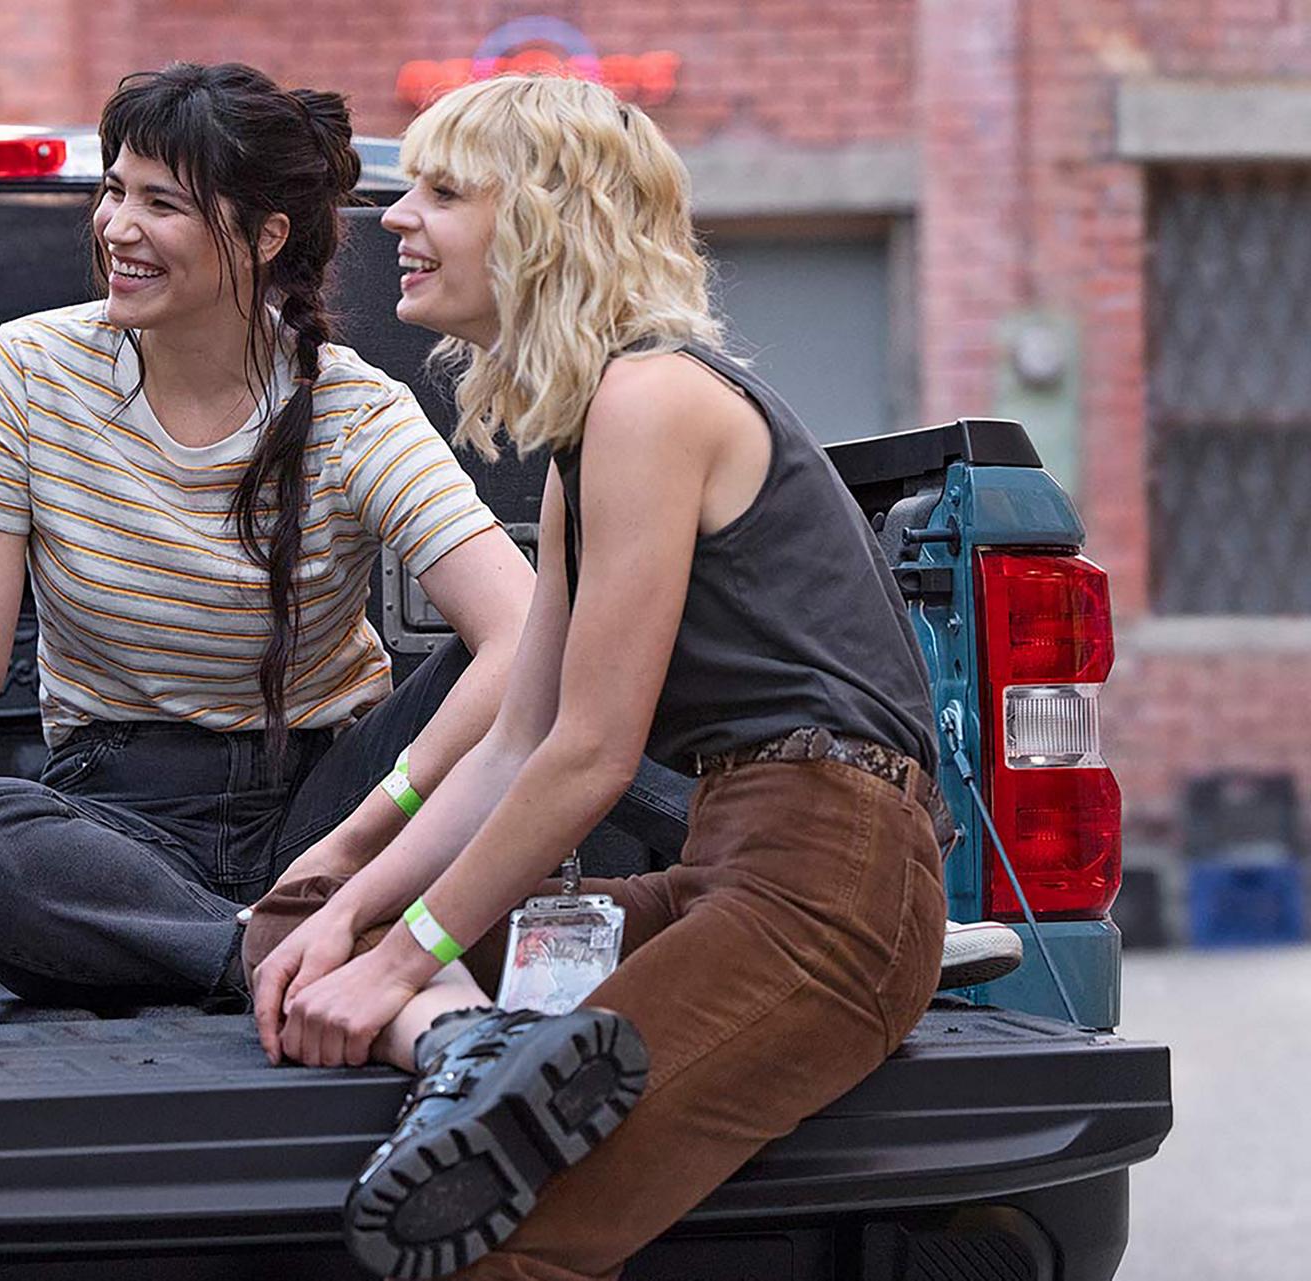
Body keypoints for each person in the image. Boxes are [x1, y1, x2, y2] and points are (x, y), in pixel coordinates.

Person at [246, 75, 953, 1281]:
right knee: (295, 928)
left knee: (497, 1236)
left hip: (834, 890)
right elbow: (519, 742)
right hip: (728, 867)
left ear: (546, 220)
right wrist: (349, 892)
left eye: (444, 191)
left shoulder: (654, 398)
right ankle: (472, 1055)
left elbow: (591, 755)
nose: (397, 217)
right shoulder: (589, 434)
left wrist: (403, 958)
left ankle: (483, 1082)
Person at [0, 62, 544, 1013]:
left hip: (333, 798)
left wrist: (363, 833)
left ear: (265, 235)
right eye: (113, 190)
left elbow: (520, 635)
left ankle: (233, 943)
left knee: (555, 644)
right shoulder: (27, 375)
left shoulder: (355, 408)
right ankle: (262, 957)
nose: (116, 227)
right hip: (115, 818)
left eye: (162, 202)